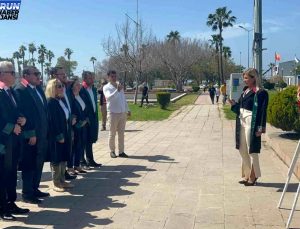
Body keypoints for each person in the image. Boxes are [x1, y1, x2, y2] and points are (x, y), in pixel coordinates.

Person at [14, 66, 49, 204]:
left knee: (39, 162)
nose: (38, 76)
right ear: (26, 75)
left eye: (38, 73)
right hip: (31, 135)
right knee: (29, 164)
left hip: (42, 133)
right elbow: (21, 113)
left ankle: (35, 188)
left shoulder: (38, 89)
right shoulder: (20, 90)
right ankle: (28, 193)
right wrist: (30, 133)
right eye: (36, 74)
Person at [228, 68, 268, 186]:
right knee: (242, 148)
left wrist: (261, 127)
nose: (244, 80)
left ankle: (254, 175)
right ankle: (246, 174)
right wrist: (234, 105)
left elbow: (262, 111)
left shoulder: (260, 92)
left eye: (246, 78)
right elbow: (240, 107)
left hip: (252, 120)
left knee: (252, 149)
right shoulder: (245, 90)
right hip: (241, 119)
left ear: (253, 78)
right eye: (243, 78)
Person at [0, 61, 29, 221]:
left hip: (14, 140)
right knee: (3, 175)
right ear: (2, 74)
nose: (15, 75)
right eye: (12, 72)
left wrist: (23, 119)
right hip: (3, 141)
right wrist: (11, 127)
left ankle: (11, 203)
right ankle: (2, 208)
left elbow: (16, 111)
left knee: (11, 174)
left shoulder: (10, 92)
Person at [46, 78, 75, 192]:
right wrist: (59, 135)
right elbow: (52, 122)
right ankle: (56, 182)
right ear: (52, 88)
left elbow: (66, 116)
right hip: (56, 135)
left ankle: (62, 180)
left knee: (64, 157)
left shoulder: (61, 100)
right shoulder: (50, 102)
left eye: (62, 86)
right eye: (58, 86)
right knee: (56, 159)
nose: (62, 88)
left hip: (65, 132)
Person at [50, 67, 77, 180]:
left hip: (68, 125)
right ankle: (58, 178)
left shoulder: (66, 89)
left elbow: (70, 106)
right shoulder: (52, 96)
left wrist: (72, 117)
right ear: (55, 76)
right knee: (58, 154)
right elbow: (53, 119)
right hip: (60, 130)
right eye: (61, 74)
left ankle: (63, 173)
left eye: (64, 73)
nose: (64, 76)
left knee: (67, 150)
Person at [103, 70, 131, 158]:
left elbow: (123, 99)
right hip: (113, 113)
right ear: (108, 77)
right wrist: (117, 91)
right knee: (112, 133)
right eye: (112, 76)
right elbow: (108, 98)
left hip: (122, 113)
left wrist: (127, 109)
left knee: (121, 133)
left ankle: (121, 151)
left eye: (115, 76)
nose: (114, 78)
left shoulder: (119, 86)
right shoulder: (106, 87)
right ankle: (112, 151)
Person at [80, 71, 102, 167]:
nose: (92, 80)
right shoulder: (81, 89)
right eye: (90, 78)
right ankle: (81, 161)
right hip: (85, 119)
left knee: (90, 139)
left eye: (92, 78)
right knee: (83, 140)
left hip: (93, 118)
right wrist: (84, 118)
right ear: (84, 79)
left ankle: (90, 159)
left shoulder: (93, 89)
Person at [67, 78, 88, 174]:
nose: (79, 86)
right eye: (76, 85)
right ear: (71, 87)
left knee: (80, 145)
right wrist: (77, 121)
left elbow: (84, 109)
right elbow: (71, 111)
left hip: (83, 125)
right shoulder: (71, 97)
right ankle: (70, 167)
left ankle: (77, 165)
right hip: (75, 126)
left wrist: (85, 120)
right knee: (73, 146)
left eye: (79, 84)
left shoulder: (80, 96)